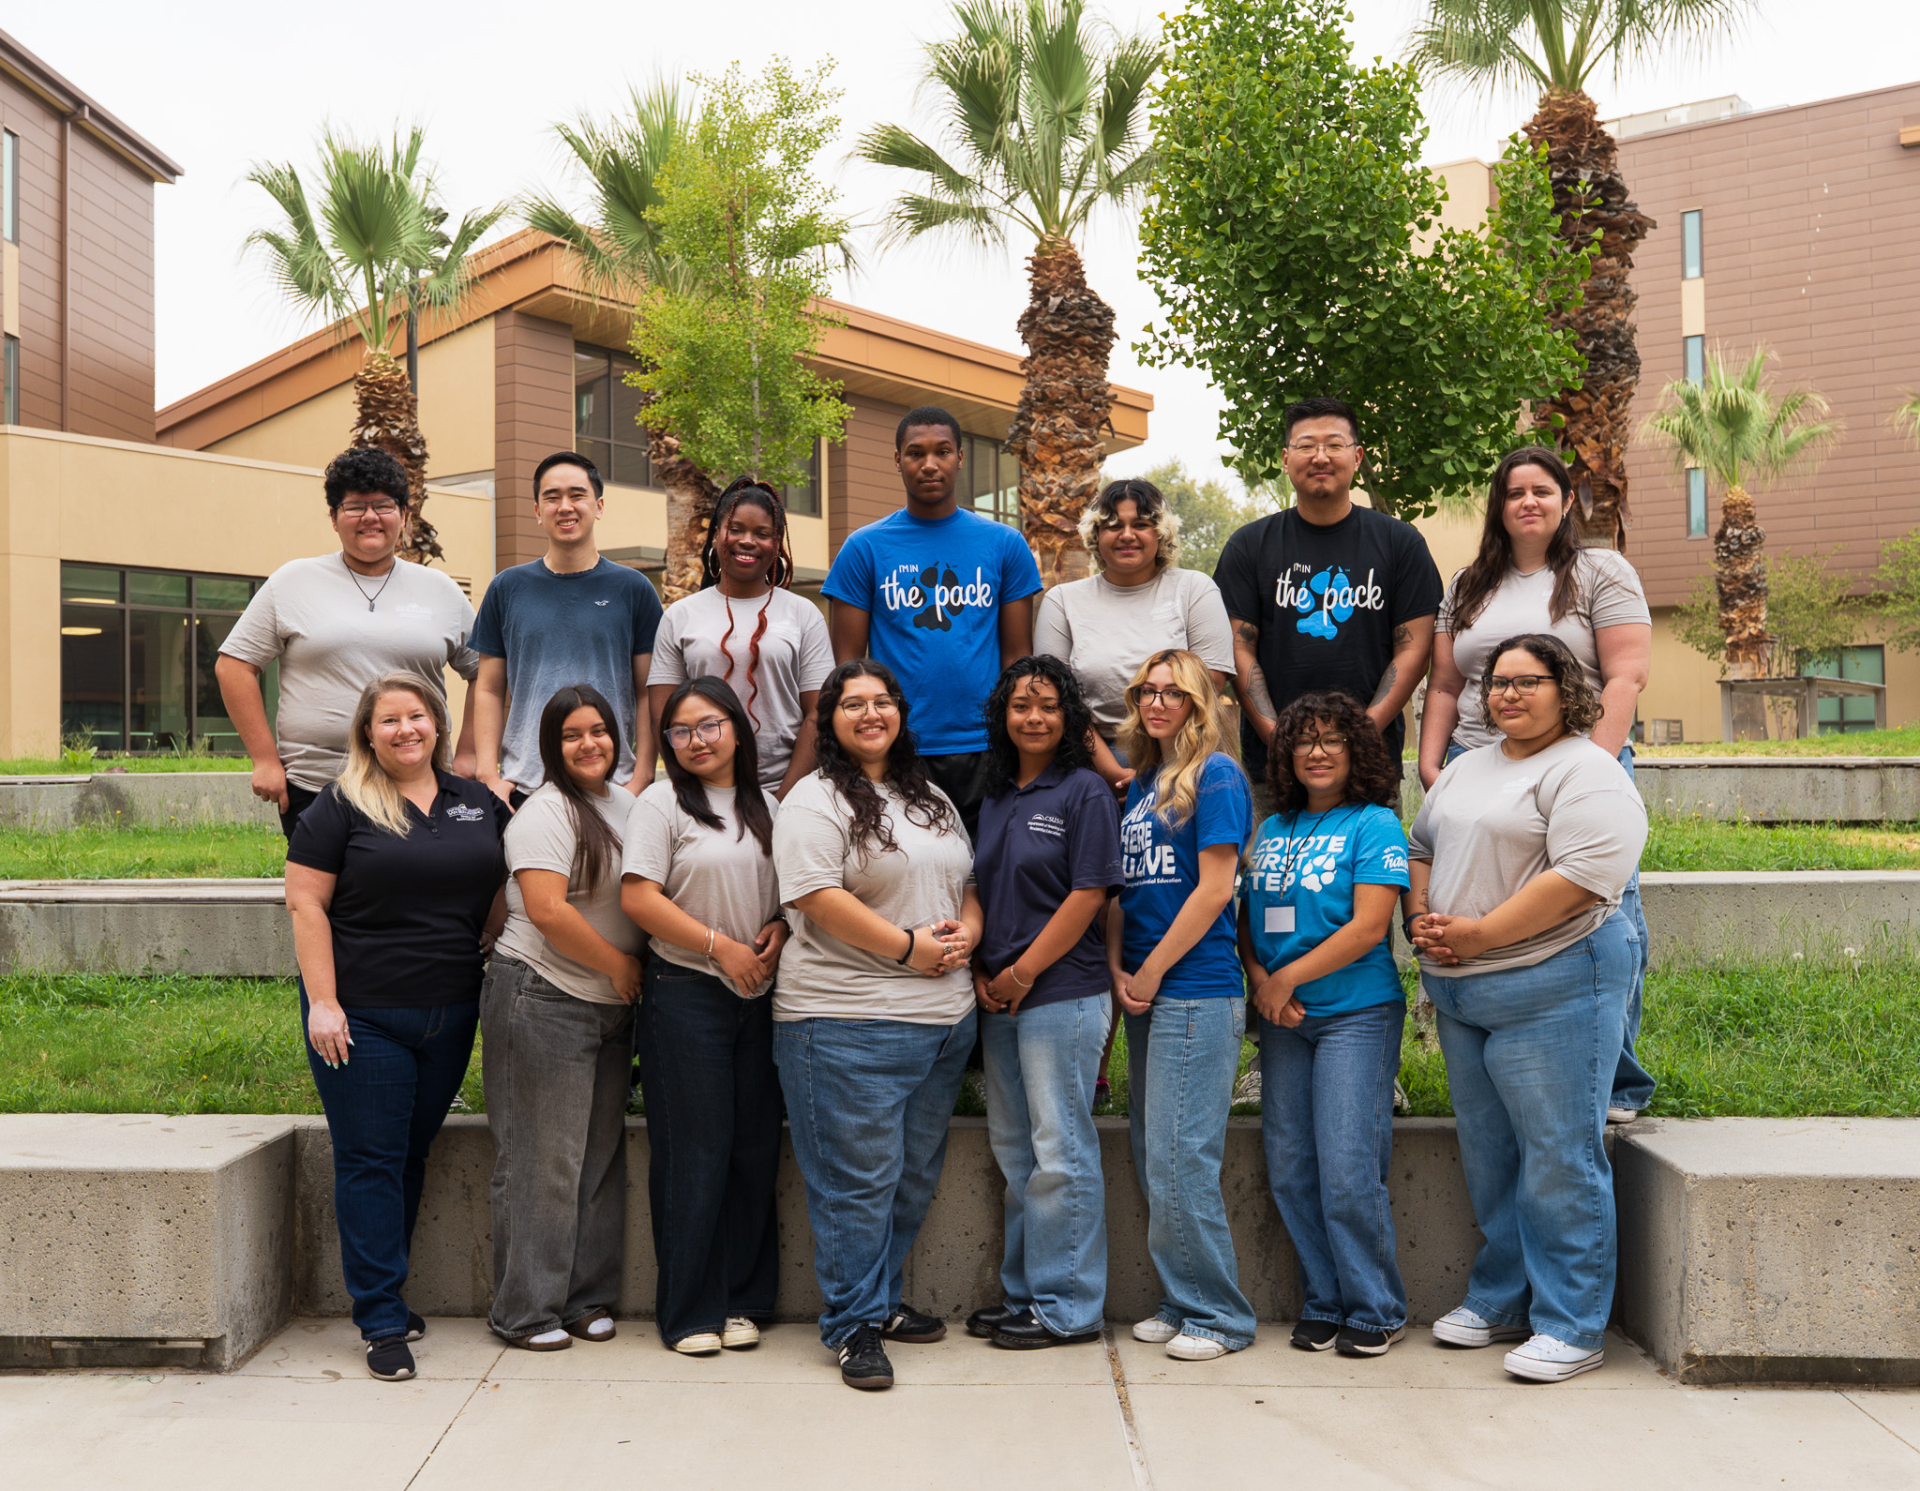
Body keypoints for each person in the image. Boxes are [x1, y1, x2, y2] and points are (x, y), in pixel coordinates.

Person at [1407, 634, 1647, 1384]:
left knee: (1557, 1155)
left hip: (1554, 985)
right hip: (1462, 991)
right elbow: (1421, 844)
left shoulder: (1588, 770)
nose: (1509, 693)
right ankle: (1501, 1296)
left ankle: (1571, 1321)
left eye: (1528, 680)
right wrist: (1423, 915)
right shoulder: (1466, 768)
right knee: (1491, 1155)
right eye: (1498, 682)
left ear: (1566, 687)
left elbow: (1582, 877)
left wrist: (1478, 932)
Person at [283, 672, 510, 1383]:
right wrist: (324, 1002)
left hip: (451, 1009)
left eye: (417, 716)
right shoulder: (340, 805)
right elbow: (305, 905)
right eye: (389, 720)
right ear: (368, 732)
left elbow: (502, 884)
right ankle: (380, 1314)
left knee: (410, 1151)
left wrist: (488, 933)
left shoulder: (476, 802)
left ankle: (388, 1288)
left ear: (439, 725)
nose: (405, 729)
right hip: (362, 1013)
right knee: (372, 1158)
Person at [1418, 445, 1655, 1122]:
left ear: (1566, 502)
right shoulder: (1466, 583)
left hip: (1576, 756)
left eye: (1542, 491)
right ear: (1498, 504)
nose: (1528, 501)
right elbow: (1445, 682)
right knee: (1482, 905)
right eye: (1514, 491)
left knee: (1610, 911)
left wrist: (1593, 763)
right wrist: (1434, 765)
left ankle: (1616, 1079)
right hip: (1475, 761)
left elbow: (1624, 675)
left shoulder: (1599, 570)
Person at [770, 659, 979, 1391]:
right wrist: (909, 947)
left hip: (943, 1021)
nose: (869, 713)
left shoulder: (927, 795)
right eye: (850, 703)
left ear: (899, 711)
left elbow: (966, 881)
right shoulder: (813, 798)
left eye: (880, 700)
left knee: (910, 1178)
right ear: (828, 719)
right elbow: (813, 894)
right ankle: (853, 1323)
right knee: (855, 1185)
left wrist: (968, 935)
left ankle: (881, 1300)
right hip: (843, 1021)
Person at [1239, 693, 1411, 1359]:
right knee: (1289, 1166)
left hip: (1354, 1015)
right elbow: (1248, 924)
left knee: (1347, 1167)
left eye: (1332, 739)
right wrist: (1262, 979)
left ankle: (1376, 1305)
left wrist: (1286, 979)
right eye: (1303, 739)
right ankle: (1325, 1299)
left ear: (1356, 750)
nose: (1316, 750)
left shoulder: (1375, 825)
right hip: (1283, 1018)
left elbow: (1370, 927)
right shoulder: (1272, 828)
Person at [622, 677, 789, 1356]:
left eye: (709, 725)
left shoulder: (769, 804)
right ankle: (690, 1308)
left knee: (753, 1149)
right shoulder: (660, 803)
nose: (696, 740)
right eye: (681, 731)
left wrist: (777, 927)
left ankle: (746, 1300)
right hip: (687, 989)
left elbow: (790, 894)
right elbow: (639, 897)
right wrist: (720, 947)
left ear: (739, 727)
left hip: (761, 994)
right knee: (695, 1151)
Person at [481, 684, 644, 1352]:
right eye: (573, 733)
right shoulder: (544, 812)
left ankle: (585, 1297)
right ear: (552, 744)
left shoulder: (628, 804)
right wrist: (619, 965)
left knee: (598, 1158)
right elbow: (546, 909)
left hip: (609, 1006)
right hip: (543, 995)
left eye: (599, 730)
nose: (589, 743)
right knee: (541, 1159)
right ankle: (525, 1309)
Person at [964, 656, 1121, 1351]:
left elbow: (1089, 894)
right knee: (1016, 1151)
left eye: (1049, 705)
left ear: (1071, 719)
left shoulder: (1084, 791)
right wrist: (982, 972)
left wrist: (1022, 973)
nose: (1034, 716)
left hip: (1060, 990)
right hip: (999, 997)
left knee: (1061, 1148)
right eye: (1021, 704)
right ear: (1003, 714)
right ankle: (1026, 1291)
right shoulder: (994, 794)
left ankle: (1069, 1305)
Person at [1109, 648, 1255, 1360]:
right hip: (1147, 988)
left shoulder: (1216, 775)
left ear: (1202, 705)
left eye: (1175, 693)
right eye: (1147, 692)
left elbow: (1214, 889)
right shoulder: (1141, 782)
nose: (1158, 703)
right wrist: (1122, 971)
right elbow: (1126, 890)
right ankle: (1180, 1294)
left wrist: (1152, 971)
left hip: (1195, 988)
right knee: (1153, 1153)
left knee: (1181, 1157)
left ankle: (1220, 1315)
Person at [217, 447, 480, 836]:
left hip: (419, 785)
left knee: (418, 894)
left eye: (384, 505)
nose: (370, 517)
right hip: (317, 786)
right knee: (324, 897)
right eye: (355, 506)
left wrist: (471, 752)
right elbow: (234, 666)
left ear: (404, 516)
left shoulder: (440, 589)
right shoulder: (292, 582)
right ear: (334, 517)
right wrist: (265, 759)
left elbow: (486, 673)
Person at [822, 406, 1043, 837]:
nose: (929, 464)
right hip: (896, 746)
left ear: (960, 457)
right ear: (897, 460)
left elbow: (1018, 657)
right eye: (915, 453)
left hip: (986, 746)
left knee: (989, 878)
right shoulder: (864, 547)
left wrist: (1015, 741)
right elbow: (847, 666)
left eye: (942, 451)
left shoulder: (1004, 544)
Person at [1214, 397, 1441, 805]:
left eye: (1334, 445)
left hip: (1369, 767)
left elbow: (1415, 650)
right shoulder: (1249, 546)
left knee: (1367, 870)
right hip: (1273, 774)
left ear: (1357, 457)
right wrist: (1284, 741)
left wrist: (1357, 738)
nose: (1320, 457)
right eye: (1305, 446)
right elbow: (1238, 648)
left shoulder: (1400, 543)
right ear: (1286, 459)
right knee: (1268, 870)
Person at [472, 452, 664, 808]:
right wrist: (489, 776)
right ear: (536, 511)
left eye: (577, 495)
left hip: (613, 787)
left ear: (599, 505)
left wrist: (641, 778)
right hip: (526, 788)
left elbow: (647, 692)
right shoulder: (506, 588)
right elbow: (489, 688)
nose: (565, 506)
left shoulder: (634, 589)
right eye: (552, 497)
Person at [1034, 478, 1234, 795]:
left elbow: (1209, 682)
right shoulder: (1063, 601)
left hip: (1183, 756)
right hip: (1088, 762)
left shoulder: (1194, 589)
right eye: (1113, 525)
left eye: (1141, 524)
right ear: (1095, 535)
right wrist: (1112, 771)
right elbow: (1056, 699)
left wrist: (1158, 769)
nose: (1127, 535)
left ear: (1161, 533)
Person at [645, 477, 833, 798]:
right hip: (703, 791)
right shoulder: (680, 615)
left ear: (777, 544)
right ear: (716, 536)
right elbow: (664, 715)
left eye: (762, 533)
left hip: (789, 790)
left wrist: (784, 798)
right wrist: (695, 789)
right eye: (735, 529)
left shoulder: (804, 614)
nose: (748, 541)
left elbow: (819, 714)